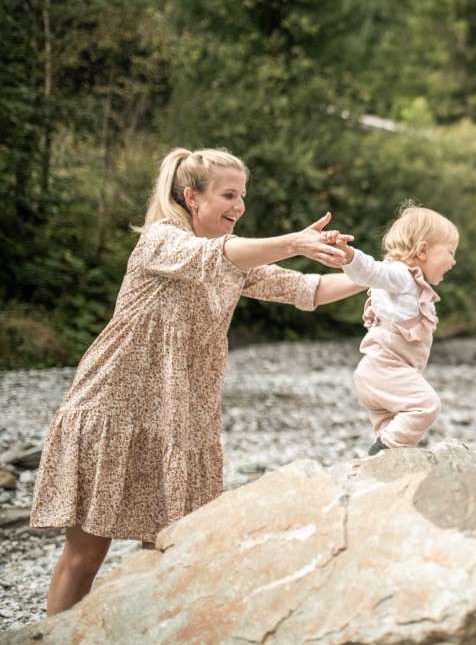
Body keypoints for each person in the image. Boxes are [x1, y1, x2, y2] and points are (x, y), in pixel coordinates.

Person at [30, 147, 366, 615]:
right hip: (112, 410)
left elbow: (306, 290)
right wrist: (295, 241)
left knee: (168, 554)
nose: (239, 206)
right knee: (86, 555)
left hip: (180, 420)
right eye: (228, 195)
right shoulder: (161, 240)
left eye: (242, 196)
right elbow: (216, 254)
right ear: (191, 197)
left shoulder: (232, 261)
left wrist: (380, 274)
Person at [340, 203, 458, 456]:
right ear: (423, 250)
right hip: (385, 370)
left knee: (395, 440)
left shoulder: (412, 286)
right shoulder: (401, 276)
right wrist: (348, 256)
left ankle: (381, 467)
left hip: (386, 374)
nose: (454, 260)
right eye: (450, 252)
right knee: (425, 406)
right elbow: (372, 272)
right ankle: (378, 453)